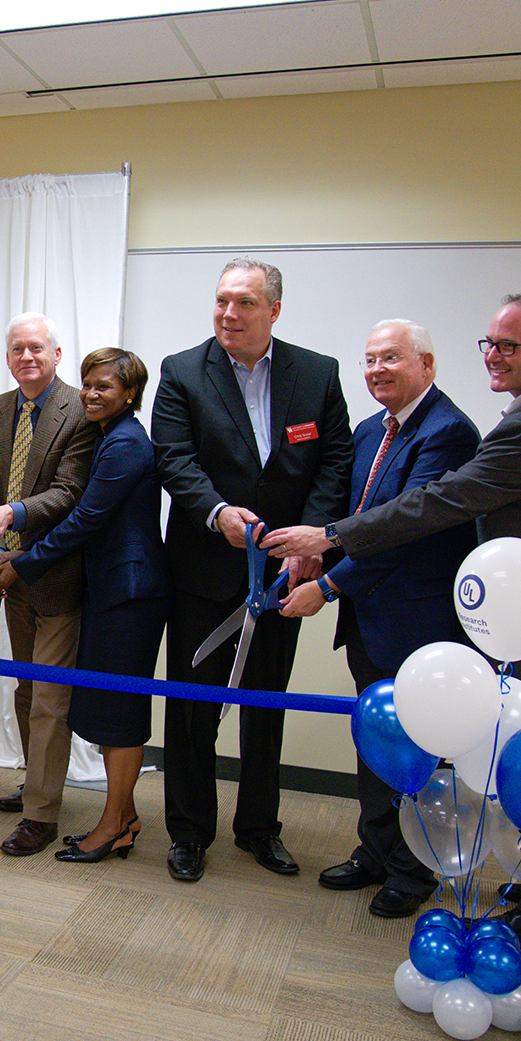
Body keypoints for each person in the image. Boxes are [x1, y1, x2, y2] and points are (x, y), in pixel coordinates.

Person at [263, 293, 521, 952]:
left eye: (509, 346)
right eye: (488, 344)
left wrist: (326, 547)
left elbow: (437, 504)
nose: (494, 355)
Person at [151, 257, 353, 883]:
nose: (228, 314)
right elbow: (173, 459)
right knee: (192, 712)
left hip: (283, 577)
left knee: (266, 709)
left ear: (274, 310)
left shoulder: (318, 374)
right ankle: (188, 833)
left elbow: (336, 461)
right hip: (204, 571)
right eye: (221, 301)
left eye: (244, 303)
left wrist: (311, 541)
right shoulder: (183, 371)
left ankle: (259, 829)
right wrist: (216, 513)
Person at [274, 319, 480, 918]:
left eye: (391, 358)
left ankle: (413, 873)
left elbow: (404, 533)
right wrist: (313, 553)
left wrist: (330, 586)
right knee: (374, 739)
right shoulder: (370, 430)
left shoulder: (447, 434)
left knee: (414, 750)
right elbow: (350, 515)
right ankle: (377, 850)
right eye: (369, 361)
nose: (377, 371)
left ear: (428, 364)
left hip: (417, 621)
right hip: (371, 618)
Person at [0, 348, 172, 863]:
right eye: (87, 383)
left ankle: (113, 824)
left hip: (128, 591)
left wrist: (23, 562)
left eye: (104, 387)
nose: (90, 393)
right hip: (110, 588)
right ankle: (124, 816)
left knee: (120, 714)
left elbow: (86, 517)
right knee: (110, 710)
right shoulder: (109, 435)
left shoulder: (125, 444)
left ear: (130, 393)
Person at [0, 312, 98, 856]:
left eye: (37, 348)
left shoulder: (80, 413)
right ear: (8, 357)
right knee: (26, 691)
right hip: (9, 575)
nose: (27, 356)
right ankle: (37, 785)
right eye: (18, 348)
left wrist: (13, 515)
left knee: (49, 697)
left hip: (58, 576)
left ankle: (41, 814)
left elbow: (70, 493)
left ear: (57, 354)